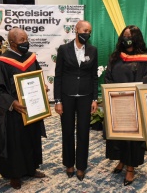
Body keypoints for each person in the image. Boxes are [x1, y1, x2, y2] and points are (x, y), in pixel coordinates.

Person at [0, 27, 47, 189]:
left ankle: (30, 168)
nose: (26, 43)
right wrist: (12, 102)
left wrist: (42, 87)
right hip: (13, 112)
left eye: (26, 39)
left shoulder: (30, 57)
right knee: (14, 142)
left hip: (31, 108)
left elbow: (37, 76)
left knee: (31, 138)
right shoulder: (1, 61)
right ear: (12, 43)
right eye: (22, 40)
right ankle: (14, 174)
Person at [104, 25, 147, 186]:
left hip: (134, 106)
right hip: (117, 104)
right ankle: (121, 161)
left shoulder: (145, 59)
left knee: (132, 139)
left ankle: (130, 168)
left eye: (130, 35)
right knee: (118, 136)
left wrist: (132, 99)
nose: (126, 38)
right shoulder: (116, 57)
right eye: (124, 35)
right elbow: (108, 77)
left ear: (136, 37)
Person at [54, 20, 98, 181]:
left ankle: (81, 166)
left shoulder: (93, 50)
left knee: (83, 132)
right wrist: (57, 100)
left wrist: (94, 99)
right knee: (67, 131)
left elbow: (94, 77)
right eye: (85, 30)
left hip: (86, 97)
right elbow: (58, 76)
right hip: (67, 96)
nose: (87, 33)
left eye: (90, 31)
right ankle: (69, 164)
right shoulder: (64, 49)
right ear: (76, 30)